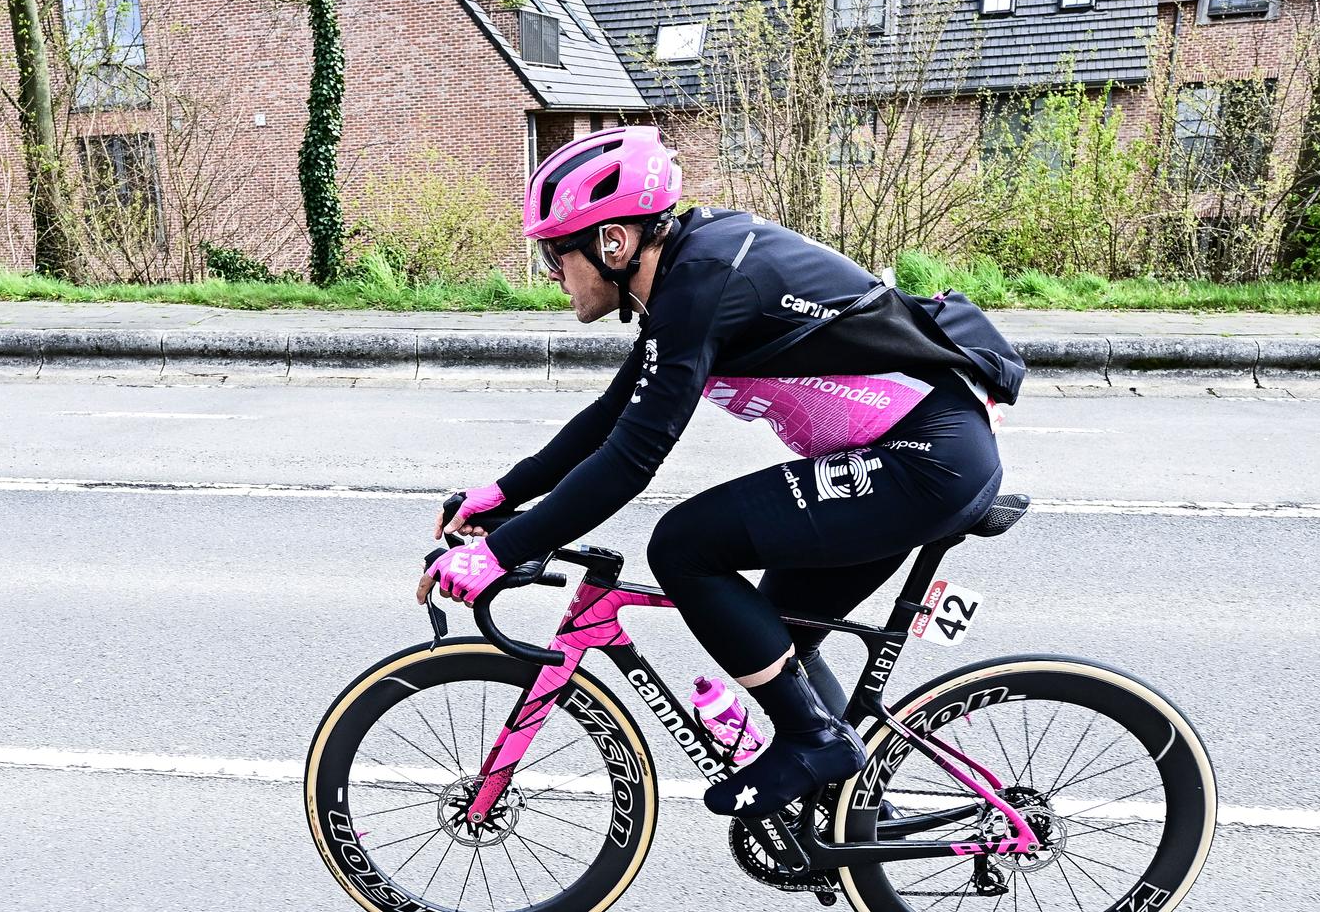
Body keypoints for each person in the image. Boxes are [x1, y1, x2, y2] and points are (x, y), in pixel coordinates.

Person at [416, 126, 1015, 819]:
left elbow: (632, 459)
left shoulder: (703, 285)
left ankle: (815, 743)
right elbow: (612, 416)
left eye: (557, 252)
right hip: (921, 456)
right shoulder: (687, 276)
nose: (552, 272)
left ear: (613, 241)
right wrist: (501, 495)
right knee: (775, 635)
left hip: (927, 460)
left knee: (684, 545)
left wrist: (501, 551)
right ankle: (847, 820)